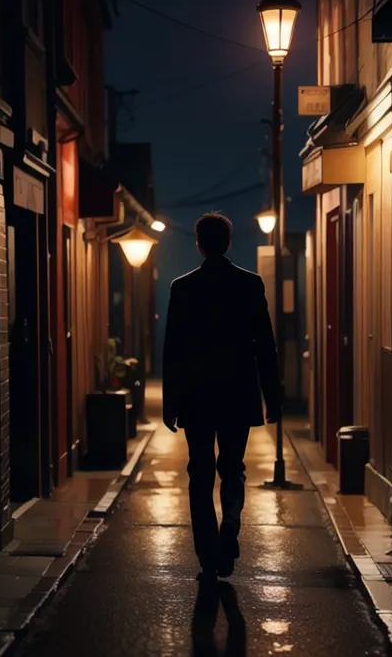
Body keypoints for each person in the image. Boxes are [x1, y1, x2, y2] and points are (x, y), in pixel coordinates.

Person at [162, 212, 282, 582]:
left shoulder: (182, 288)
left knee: (200, 472)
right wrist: (272, 397)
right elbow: (265, 345)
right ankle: (230, 521)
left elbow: (173, 351)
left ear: (198, 244)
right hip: (237, 392)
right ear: (229, 243)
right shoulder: (250, 284)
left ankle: (208, 556)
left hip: (197, 396)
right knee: (232, 466)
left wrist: (171, 403)